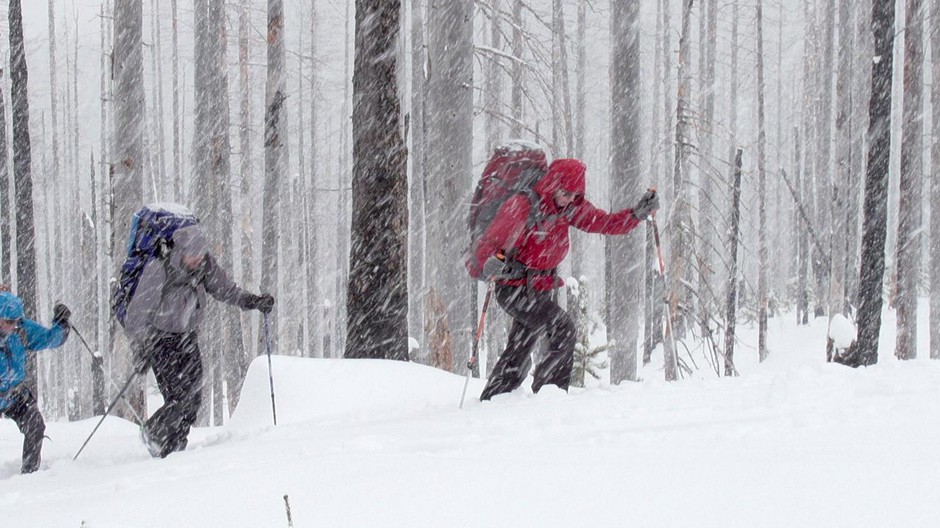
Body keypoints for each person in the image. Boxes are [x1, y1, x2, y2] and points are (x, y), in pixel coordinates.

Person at [474, 158, 658, 400]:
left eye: (574, 195)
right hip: (514, 289)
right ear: (552, 185)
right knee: (563, 328)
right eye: (565, 193)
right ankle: (551, 395)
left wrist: (636, 214)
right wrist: (491, 261)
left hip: (540, 288)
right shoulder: (523, 205)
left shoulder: (571, 208)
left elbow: (604, 223)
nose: (569, 199)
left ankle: (495, 397)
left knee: (522, 344)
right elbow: (490, 240)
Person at [125, 223, 274, 458]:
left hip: (187, 337)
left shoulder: (205, 264)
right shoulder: (159, 269)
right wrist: (140, 347)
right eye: (192, 256)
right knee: (177, 398)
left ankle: (173, 448)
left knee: (193, 398)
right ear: (180, 252)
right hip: (160, 340)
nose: (196, 260)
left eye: (200, 255)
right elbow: (137, 313)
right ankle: (157, 437)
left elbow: (225, 289)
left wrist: (252, 301)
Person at [0, 291, 71, 473]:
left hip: (14, 395)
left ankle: (30, 474)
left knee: (35, 425)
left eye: (17, 320)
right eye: (9, 321)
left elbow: (47, 338)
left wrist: (62, 325)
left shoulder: (21, 330)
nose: (14, 325)